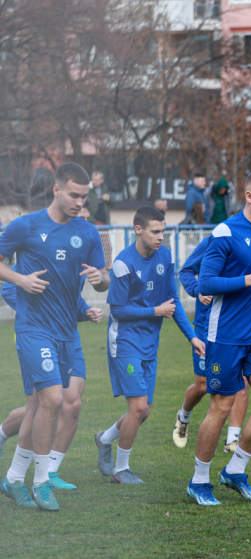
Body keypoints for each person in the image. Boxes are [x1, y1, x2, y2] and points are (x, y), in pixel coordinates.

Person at [0, 162, 110, 511]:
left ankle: (13, 478)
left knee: (37, 405)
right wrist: (20, 280)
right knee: (51, 399)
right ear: (57, 190)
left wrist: (99, 280)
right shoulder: (27, 225)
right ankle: (42, 481)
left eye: (85, 196)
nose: (79, 202)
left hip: (67, 333)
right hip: (33, 329)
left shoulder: (88, 232)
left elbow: (105, 278)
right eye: (74, 195)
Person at [185, 170, 251, 507]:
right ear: (249, 196)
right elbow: (206, 283)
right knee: (222, 406)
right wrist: (249, 280)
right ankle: (199, 480)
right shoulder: (225, 232)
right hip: (224, 335)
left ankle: (235, 470)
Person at [94, 207, 204, 484]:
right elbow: (117, 311)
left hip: (149, 344)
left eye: (163, 231)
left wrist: (191, 336)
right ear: (138, 230)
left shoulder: (165, 256)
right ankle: (120, 471)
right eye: (156, 231)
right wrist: (155, 311)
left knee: (144, 412)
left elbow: (172, 300)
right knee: (138, 408)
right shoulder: (122, 263)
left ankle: (104, 439)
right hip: (125, 341)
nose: (161, 237)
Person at [0, 258, 103, 494]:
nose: (83, 223)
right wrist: (40, 314)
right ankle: (10, 458)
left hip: (68, 336)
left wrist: (85, 310)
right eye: (81, 218)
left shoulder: (80, 245)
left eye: (86, 219)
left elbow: (68, 295)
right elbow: (8, 288)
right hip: (36, 335)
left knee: (73, 402)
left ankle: (50, 471)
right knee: (37, 405)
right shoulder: (39, 243)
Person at [173, 237, 251, 452]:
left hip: (238, 328)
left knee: (242, 381)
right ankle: (183, 417)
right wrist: (197, 290)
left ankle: (232, 438)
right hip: (208, 327)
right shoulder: (217, 240)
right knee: (202, 384)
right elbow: (186, 272)